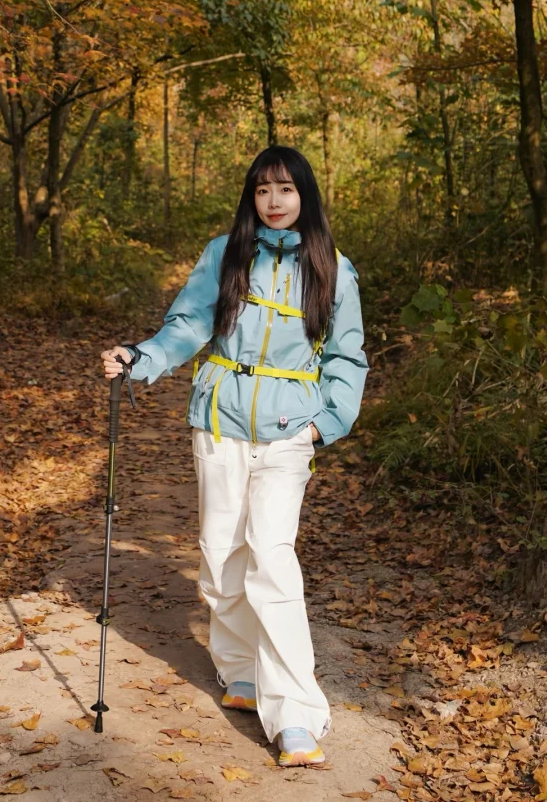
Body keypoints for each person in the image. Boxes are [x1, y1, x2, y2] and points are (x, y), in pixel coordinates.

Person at [101, 145, 367, 768]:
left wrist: (323, 427)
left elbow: (346, 357)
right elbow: (188, 327)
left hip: (289, 432)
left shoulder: (334, 268)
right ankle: (241, 671)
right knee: (221, 557)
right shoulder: (225, 255)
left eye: (286, 191)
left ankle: (296, 716)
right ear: (252, 198)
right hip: (219, 423)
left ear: (305, 196)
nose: (274, 202)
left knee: (272, 561)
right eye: (263, 191)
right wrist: (140, 357)